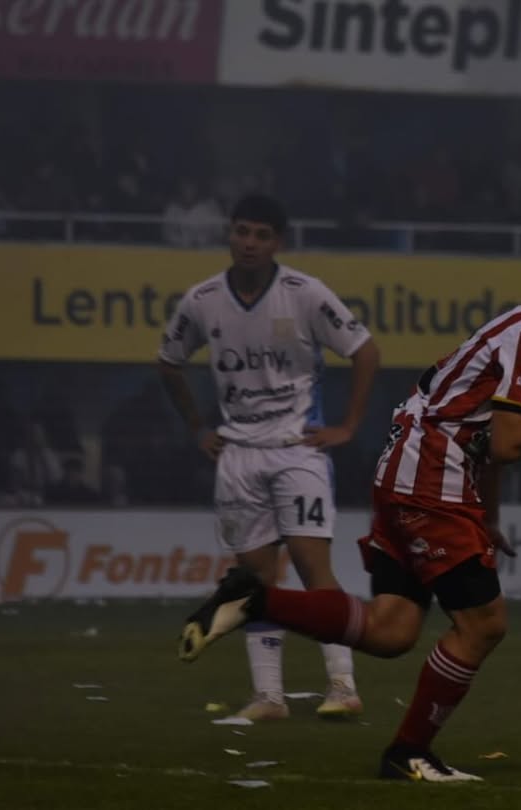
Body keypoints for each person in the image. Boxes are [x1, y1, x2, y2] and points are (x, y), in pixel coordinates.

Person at [177, 224, 521, 781]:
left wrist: (489, 514)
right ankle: (408, 751)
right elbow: (507, 441)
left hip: (409, 469)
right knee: (484, 623)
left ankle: (256, 601)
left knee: (391, 630)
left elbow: (489, 435)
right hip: (432, 478)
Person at [159, 194, 380, 721]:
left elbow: (365, 351)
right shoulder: (202, 300)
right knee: (252, 582)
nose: (250, 243)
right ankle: (269, 698)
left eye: (261, 234)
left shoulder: (304, 294)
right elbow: (169, 362)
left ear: (278, 241)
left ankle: (343, 685)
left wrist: (347, 426)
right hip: (237, 454)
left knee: (311, 567)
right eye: (241, 232)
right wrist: (197, 428)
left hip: (296, 450)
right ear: (229, 235)